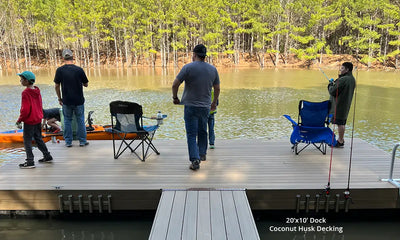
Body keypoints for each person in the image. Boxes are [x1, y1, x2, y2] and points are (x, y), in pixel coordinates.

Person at [172, 44, 220, 170]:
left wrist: (175, 98)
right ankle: (202, 154)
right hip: (205, 107)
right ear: (204, 56)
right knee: (203, 131)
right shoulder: (213, 69)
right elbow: (217, 88)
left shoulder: (188, 67)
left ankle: (195, 160)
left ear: (194, 54)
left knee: (192, 134)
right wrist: (214, 102)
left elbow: (175, 84)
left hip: (190, 106)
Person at [16, 71, 53, 169]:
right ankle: (47, 156)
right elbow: (40, 105)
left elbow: (25, 109)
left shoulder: (25, 93)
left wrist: (19, 120)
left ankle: (30, 161)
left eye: (22, 79)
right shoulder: (37, 90)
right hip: (37, 118)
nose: (20, 81)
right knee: (38, 138)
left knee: (27, 141)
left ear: (27, 81)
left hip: (29, 120)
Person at [54, 49, 89, 147]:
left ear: (63, 58)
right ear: (73, 58)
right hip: (79, 100)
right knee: (80, 120)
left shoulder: (60, 70)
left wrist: (59, 98)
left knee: (67, 120)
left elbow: (56, 86)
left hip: (66, 100)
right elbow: (86, 84)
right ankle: (82, 141)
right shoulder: (79, 70)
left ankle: (68, 142)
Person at [328, 62, 356, 147]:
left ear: (347, 69)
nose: (340, 69)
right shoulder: (352, 79)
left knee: (339, 123)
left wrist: (330, 85)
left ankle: (340, 141)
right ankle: (341, 139)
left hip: (339, 105)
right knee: (342, 123)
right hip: (345, 105)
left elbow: (333, 91)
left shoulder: (343, 79)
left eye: (342, 68)